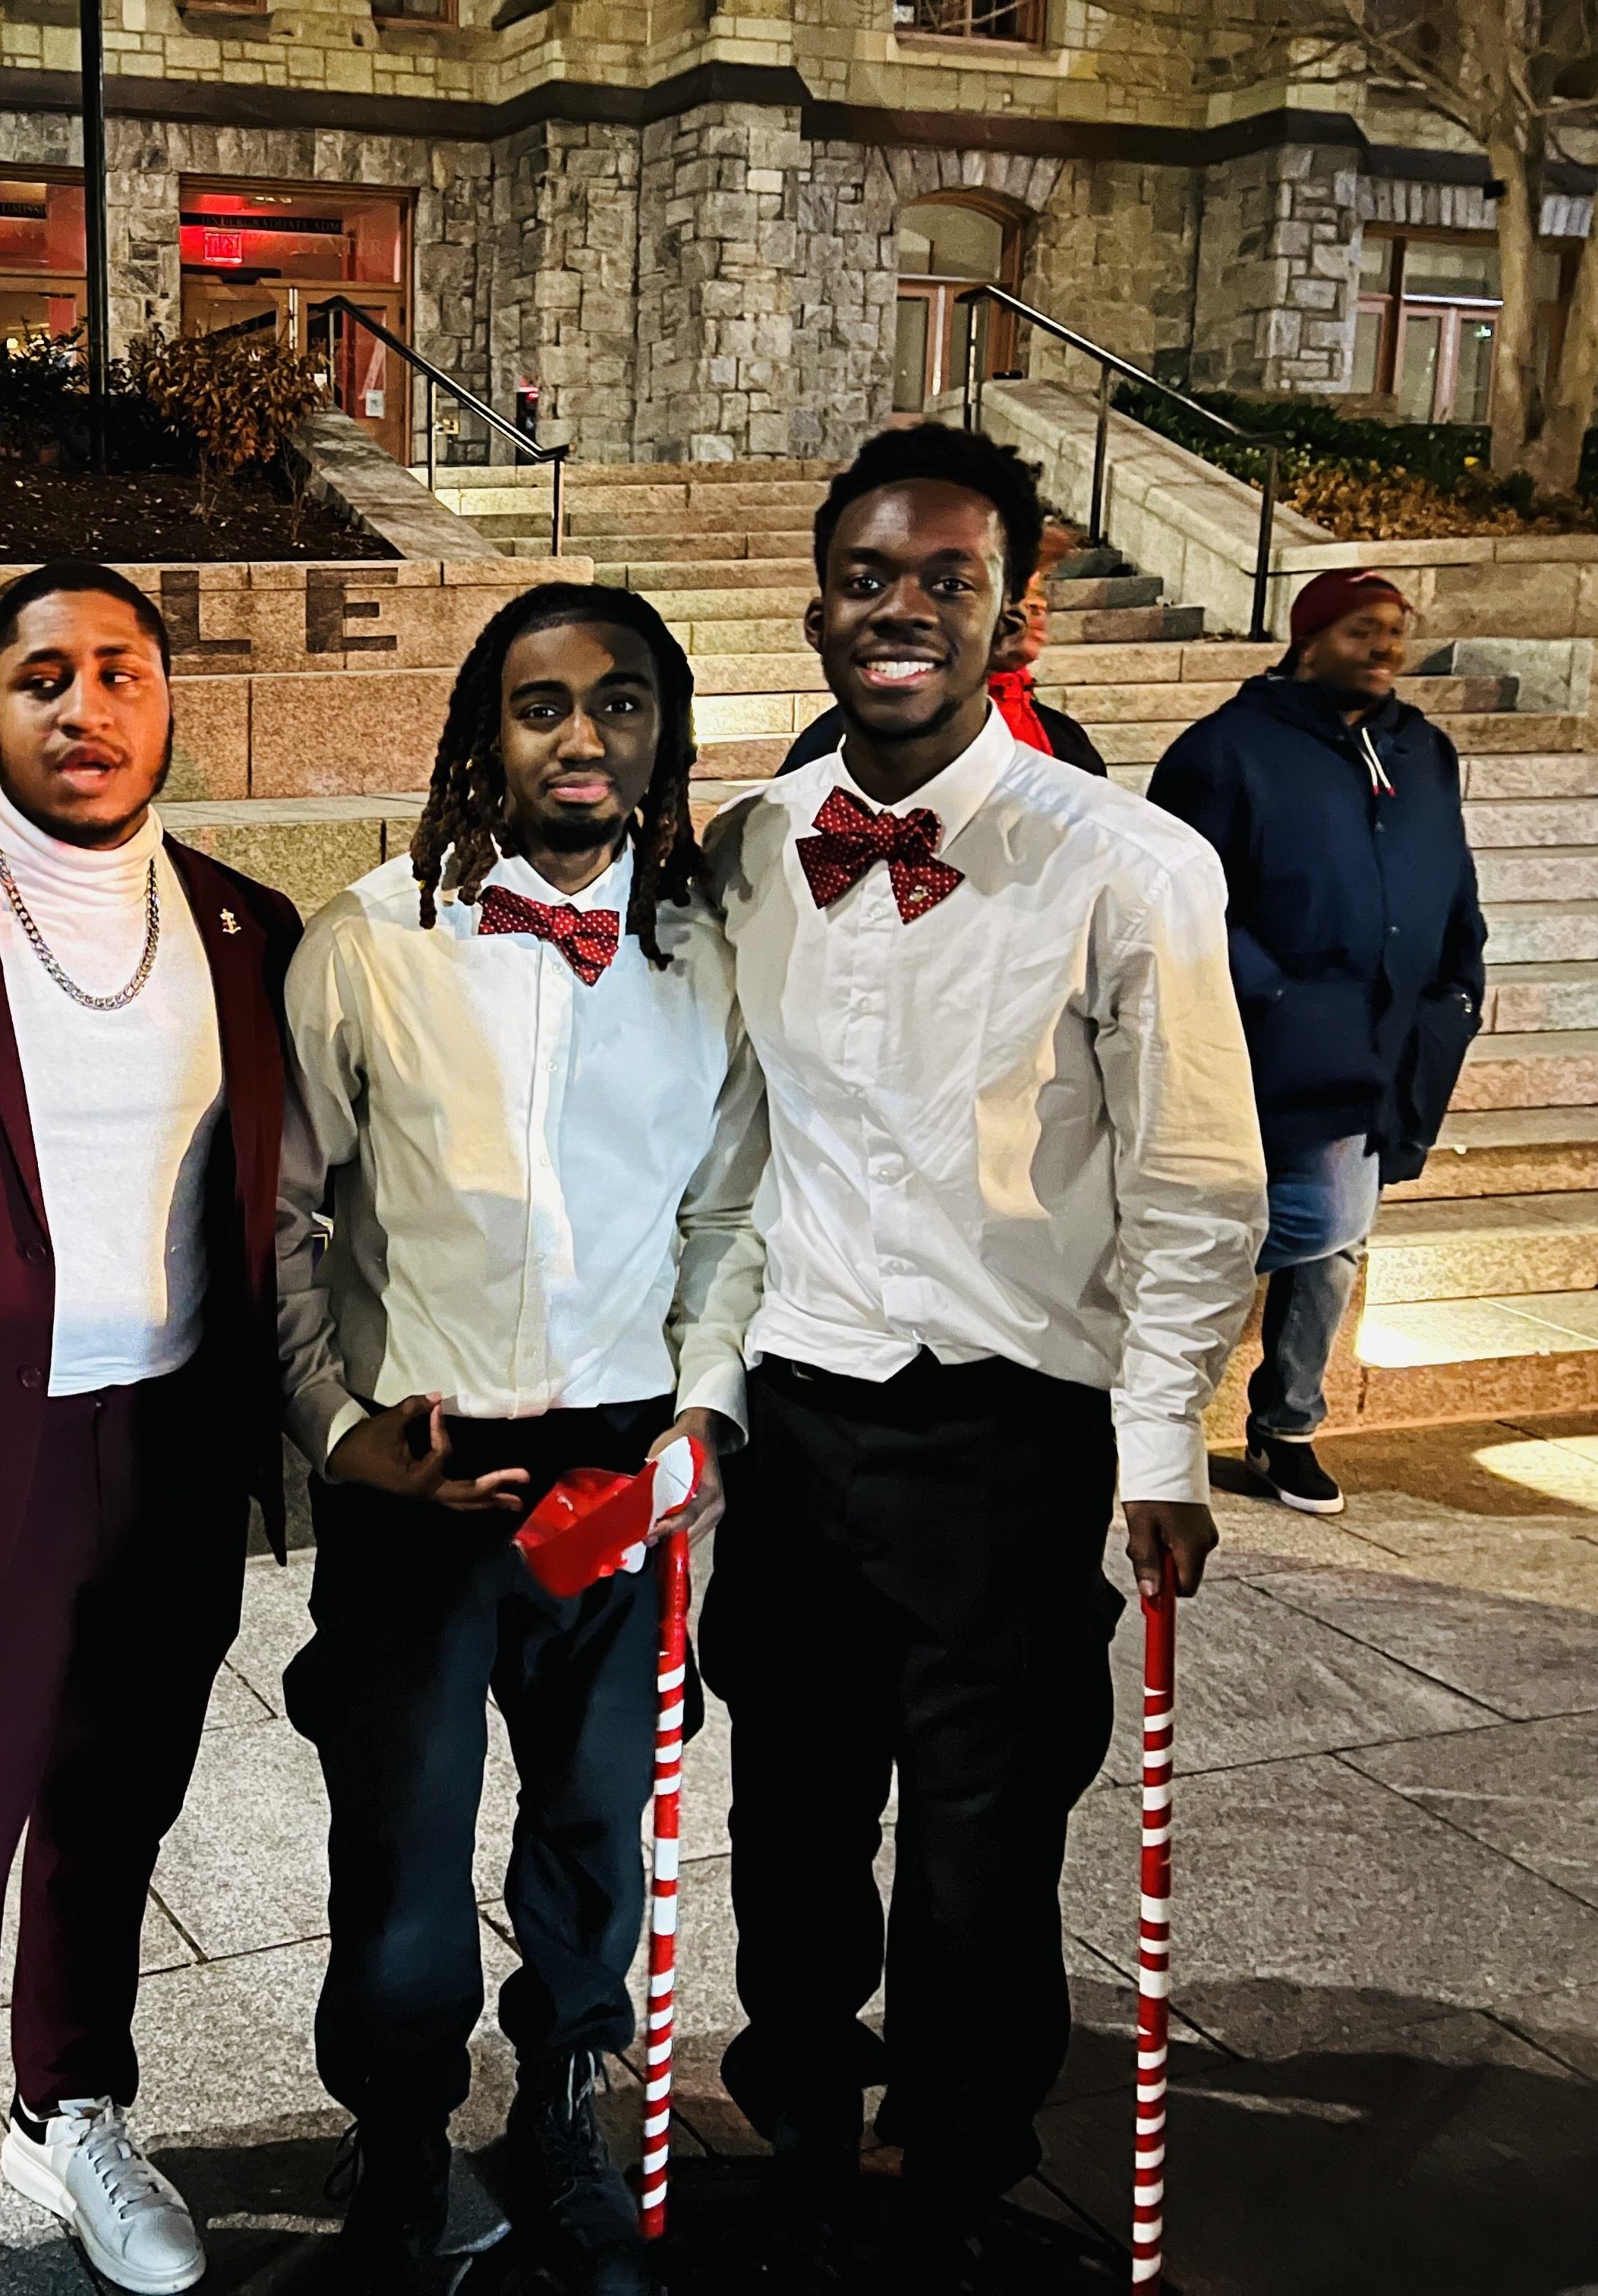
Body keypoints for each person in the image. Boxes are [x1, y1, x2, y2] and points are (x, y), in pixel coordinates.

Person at [694, 424, 1265, 2292]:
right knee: (790, 1829)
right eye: (870, 577)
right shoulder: (753, 847)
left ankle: (952, 2163)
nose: (903, 610)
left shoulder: (1131, 865)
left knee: (979, 1853)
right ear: (817, 609)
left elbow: (1197, 1182)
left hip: (1008, 1434)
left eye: (949, 580)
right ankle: (799, 2126)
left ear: (1013, 616)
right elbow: (732, 1144)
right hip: (796, 1421)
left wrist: (1163, 1440)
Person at [276, 582, 767, 2296]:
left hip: (620, 1463)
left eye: (618, 701)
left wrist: (704, 1405)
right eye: (541, 702)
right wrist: (336, 1426)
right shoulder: (368, 942)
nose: (581, 735)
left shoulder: (707, 956)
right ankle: (400, 2131)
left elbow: (728, 1214)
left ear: (662, 732)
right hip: (422, 1466)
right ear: (486, 731)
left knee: (592, 1818)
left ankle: (562, 2100)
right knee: (401, 1840)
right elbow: (285, 1214)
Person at [0, 563, 304, 2296]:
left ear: (167, 700)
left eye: (119, 672)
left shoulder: (247, 923)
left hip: (170, 1439)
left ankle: (70, 2103)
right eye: (43, 677)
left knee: (115, 1804)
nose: (83, 708)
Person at [1148, 568, 1485, 1516]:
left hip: (1395, 1027)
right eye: (1359, 630)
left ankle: (1286, 1424)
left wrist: (1460, 985)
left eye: (1394, 630)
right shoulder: (1227, 749)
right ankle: (1135, 1373)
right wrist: (1276, 992)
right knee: (1324, 1217)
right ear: (1307, 641)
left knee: (1341, 1238)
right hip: (1270, 1034)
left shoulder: (1422, 749)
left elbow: (1452, 874)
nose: (1384, 648)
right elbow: (1181, 892)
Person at [779, 522, 1105, 777]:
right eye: (1020, 596)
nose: (1037, 609)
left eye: (1038, 594)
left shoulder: (1061, 739)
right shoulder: (840, 743)